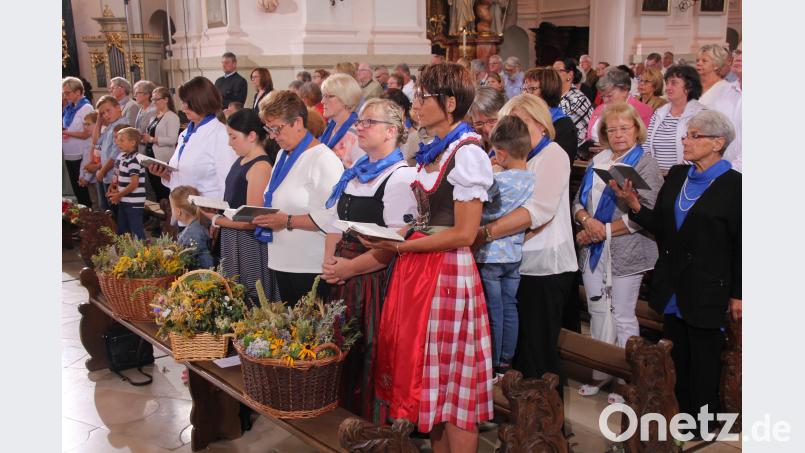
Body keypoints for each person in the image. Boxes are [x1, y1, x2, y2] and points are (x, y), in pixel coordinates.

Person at [362, 62, 494, 453]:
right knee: (432, 384)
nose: (415, 103)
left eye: (423, 96)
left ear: (450, 102)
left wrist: (401, 246)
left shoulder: (467, 154)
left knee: (455, 388)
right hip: (420, 268)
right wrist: (389, 237)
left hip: (447, 273)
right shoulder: (433, 149)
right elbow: (426, 220)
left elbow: (464, 234)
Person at [610, 109, 741, 426]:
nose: (686, 141)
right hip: (674, 286)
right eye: (686, 135)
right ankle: (678, 422)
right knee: (676, 361)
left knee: (705, 364)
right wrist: (634, 203)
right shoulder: (680, 176)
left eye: (695, 136)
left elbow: (743, 245)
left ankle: (707, 426)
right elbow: (663, 226)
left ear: (717, 143)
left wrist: (739, 295)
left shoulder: (736, 186)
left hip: (709, 287)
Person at [319, 98, 417, 424]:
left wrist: (348, 268)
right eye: (359, 121)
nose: (359, 127)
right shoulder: (356, 172)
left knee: (367, 353)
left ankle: (368, 427)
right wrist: (329, 265)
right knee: (340, 353)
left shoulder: (401, 177)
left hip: (373, 280)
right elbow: (336, 224)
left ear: (391, 131)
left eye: (368, 122)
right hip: (341, 276)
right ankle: (337, 424)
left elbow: (392, 244)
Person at [478, 93, 577, 379]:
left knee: (538, 355)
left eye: (523, 122)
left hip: (546, 266)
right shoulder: (509, 162)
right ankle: (521, 418)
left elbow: (538, 211)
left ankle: (547, 421)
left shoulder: (553, 154)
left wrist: (485, 233)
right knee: (518, 354)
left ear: (542, 126)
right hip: (515, 263)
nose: (516, 129)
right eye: (511, 122)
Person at [572, 102, 663, 403]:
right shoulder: (601, 159)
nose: (619, 134)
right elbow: (578, 201)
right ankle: (601, 372)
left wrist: (603, 230)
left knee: (623, 315)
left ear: (637, 129)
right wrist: (587, 221)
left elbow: (648, 212)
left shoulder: (646, 162)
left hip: (627, 250)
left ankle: (627, 380)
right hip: (594, 245)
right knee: (598, 311)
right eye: (612, 129)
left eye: (625, 128)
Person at [252, 90, 344, 304]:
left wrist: (287, 221)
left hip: (310, 265)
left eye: (277, 128)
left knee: (310, 333)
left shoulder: (323, 159)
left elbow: (332, 217)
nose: (273, 136)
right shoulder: (284, 154)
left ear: (298, 122)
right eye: (269, 129)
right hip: (283, 260)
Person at [476, 115, 535, 379]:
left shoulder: (498, 182)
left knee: (492, 311)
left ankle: (491, 364)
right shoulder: (532, 178)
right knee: (510, 307)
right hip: (514, 254)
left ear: (500, 152)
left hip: (491, 255)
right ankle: (505, 361)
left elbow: (480, 207)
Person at [199, 109, 277, 302]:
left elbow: (252, 221)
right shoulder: (243, 159)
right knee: (234, 295)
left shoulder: (260, 166)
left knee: (250, 297)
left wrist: (217, 219)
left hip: (248, 243)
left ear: (251, 136)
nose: (229, 143)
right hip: (233, 237)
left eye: (233, 137)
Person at [149, 76, 238, 204]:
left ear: (203, 101)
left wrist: (217, 217)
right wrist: (165, 175)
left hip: (207, 213)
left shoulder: (221, 134)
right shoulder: (185, 134)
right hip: (184, 210)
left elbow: (227, 183)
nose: (184, 107)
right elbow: (183, 176)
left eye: (188, 103)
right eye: (183, 102)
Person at [645, 65, 706, 171]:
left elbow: (700, 151)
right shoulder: (659, 113)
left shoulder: (700, 114)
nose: (668, 88)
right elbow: (646, 146)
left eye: (674, 83)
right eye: (667, 83)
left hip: (685, 176)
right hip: (657, 176)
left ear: (689, 87)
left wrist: (675, 175)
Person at [696, 44, 742, 172]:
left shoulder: (721, 88)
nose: (739, 57)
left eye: (704, 61)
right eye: (737, 52)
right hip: (720, 168)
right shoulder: (728, 91)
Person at [522, 68, 578, 163]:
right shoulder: (525, 120)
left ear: (548, 90)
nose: (525, 94)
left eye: (531, 89)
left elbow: (558, 164)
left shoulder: (563, 125)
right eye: (524, 89)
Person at [586, 69, 653, 143]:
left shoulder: (642, 110)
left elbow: (643, 141)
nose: (605, 100)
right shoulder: (599, 108)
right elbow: (589, 135)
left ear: (625, 91)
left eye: (609, 96)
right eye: (603, 96)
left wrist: (608, 148)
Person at [141, 86, 180, 202]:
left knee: (164, 190)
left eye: (156, 99)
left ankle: (167, 214)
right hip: (151, 156)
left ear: (166, 99)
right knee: (155, 189)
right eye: (153, 100)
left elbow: (172, 140)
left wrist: (153, 139)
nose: (154, 102)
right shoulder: (154, 116)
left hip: (163, 158)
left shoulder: (172, 117)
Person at [108, 127, 147, 239]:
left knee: (136, 231)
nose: (117, 142)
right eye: (117, 140)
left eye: (121, 140)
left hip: (134, 203)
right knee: (123, 230)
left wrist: (118, 195)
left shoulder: (135, 160)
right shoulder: (122, 157)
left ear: (133, 142)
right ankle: (126, 254)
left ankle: (142, 254)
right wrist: (114, 187)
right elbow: (119, 175)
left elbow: (134, 184)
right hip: (124, 200)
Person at [320, 73, 366, 168]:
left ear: (346, 99)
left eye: (329, 96)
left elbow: (362, 174)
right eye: (323, 95)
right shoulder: (331, 128)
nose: (322, 101)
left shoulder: (358, 134)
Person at [93, 95, 129, 213]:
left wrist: (102, 171)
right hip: (107, 175)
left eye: (108, 110)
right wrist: (98, 120)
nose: (106, 115)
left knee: (115, 212)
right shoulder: (110, 126)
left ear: (118, 107)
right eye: (102, 113)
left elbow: (115, 154)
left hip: (115, 177)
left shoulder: (121, 127)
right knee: (108, 211)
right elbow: (96, 142)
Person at [62, 76, 94, 207]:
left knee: (83, 190)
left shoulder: (86, 107)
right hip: (69, 153)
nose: (65, 96)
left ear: (78, 91)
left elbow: (87, 134)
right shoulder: (69, 108)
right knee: (77, 190)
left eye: (68, 93)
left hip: (81, 154)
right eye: (64, 93)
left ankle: (89, 217)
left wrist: (65, 132)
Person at [171, 185, 215, 269]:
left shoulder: (192, 234)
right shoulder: (199, 225)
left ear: (178, 211)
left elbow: (205, 262)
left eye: (172, 208)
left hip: (198, 278)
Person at [553, 58, 594, 148]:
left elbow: (562, 130)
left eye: (558, 71)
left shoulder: (577, 99)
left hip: (574, 149)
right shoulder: (554, 96)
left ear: (570, 74)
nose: (554, 74)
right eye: (553, 71)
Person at [382, 88, 422, 165]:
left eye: (389, 110)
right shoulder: (386, 131)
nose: (384, 115)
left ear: (402, 110)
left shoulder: (417, 134)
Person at [468, 85, 507, 151]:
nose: (486, 129)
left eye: (492, 121)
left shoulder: (513, 149)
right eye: (479, 123)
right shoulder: (473, 147)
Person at [78, 112, 100, 209]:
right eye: (84, 124)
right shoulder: (88, 139)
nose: (86, 126)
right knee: (94, 202)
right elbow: (84, 160)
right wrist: (81, 175)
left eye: (88, 124)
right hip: (88, 177)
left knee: (99, 204)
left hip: (95, 178)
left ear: (97, 124)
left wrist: (86, 178)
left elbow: (94, 161)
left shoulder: (97, 140)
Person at [132, 80, 157, 152]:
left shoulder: (154, 110)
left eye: (137, 93)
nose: (134, 95)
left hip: (149, 148)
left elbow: (151, 131)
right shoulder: (141, 108)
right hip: (140, 146)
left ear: (147, 95)